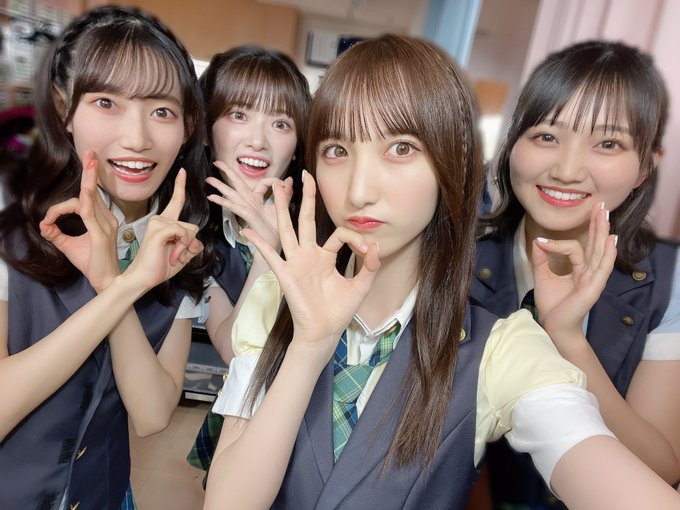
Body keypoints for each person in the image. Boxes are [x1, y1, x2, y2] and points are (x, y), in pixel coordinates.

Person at [201, 35, 680, 509]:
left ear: (452, 163)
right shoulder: (274, 297)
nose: (359, 190)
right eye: (337, 151)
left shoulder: (499, 348)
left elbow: (602, 460)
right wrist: (308, 347)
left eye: (401, 148)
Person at [0, 6, 212, 509]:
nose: (137, 138)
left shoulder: (181, 246)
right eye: (106, 102)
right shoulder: (11, 223)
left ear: (187, 127)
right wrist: (122, 288)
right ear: (64, 110)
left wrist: (114, 281)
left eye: (162, 111)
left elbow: (152, 414)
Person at [471, 40, 680, 509]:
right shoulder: (456, 258)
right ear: (513, 143)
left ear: (646, 166)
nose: (566, 170)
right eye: (546, 136)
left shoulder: (672, 280)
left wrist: (568, 339)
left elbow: (660, 467)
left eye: (608, 143)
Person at [186, 45, 310, 481]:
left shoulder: (323, 223)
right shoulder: (198, 236)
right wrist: (266, 250)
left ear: (297, 145)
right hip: (247, 406)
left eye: (280, 123)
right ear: (206, 131)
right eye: (239, 114)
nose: (258, 140)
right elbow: (231, 346)